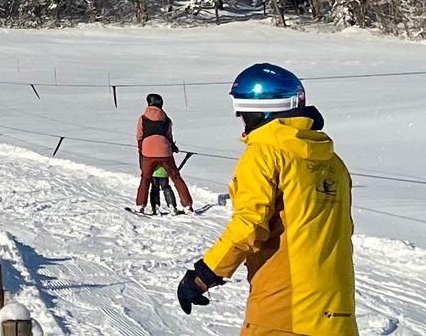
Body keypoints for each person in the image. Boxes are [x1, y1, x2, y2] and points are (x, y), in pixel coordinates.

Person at [175, 63, 356, 336]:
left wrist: (204, 274)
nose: (242, 123)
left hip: (284, 307)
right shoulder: (333, 162)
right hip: (336, 308)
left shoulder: (265, 154)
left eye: (242, 115)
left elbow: (249, 224)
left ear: (259, 112)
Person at [136, 93, 195, 213]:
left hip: (148, 152)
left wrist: (141, 150)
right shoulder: (167, 120)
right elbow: (169, 136)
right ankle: (187, 205)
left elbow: (139, 136)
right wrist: (172, 146)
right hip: (165, 152)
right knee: (176, 177)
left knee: (145, 178)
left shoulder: (143, 118)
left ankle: (140, 205)